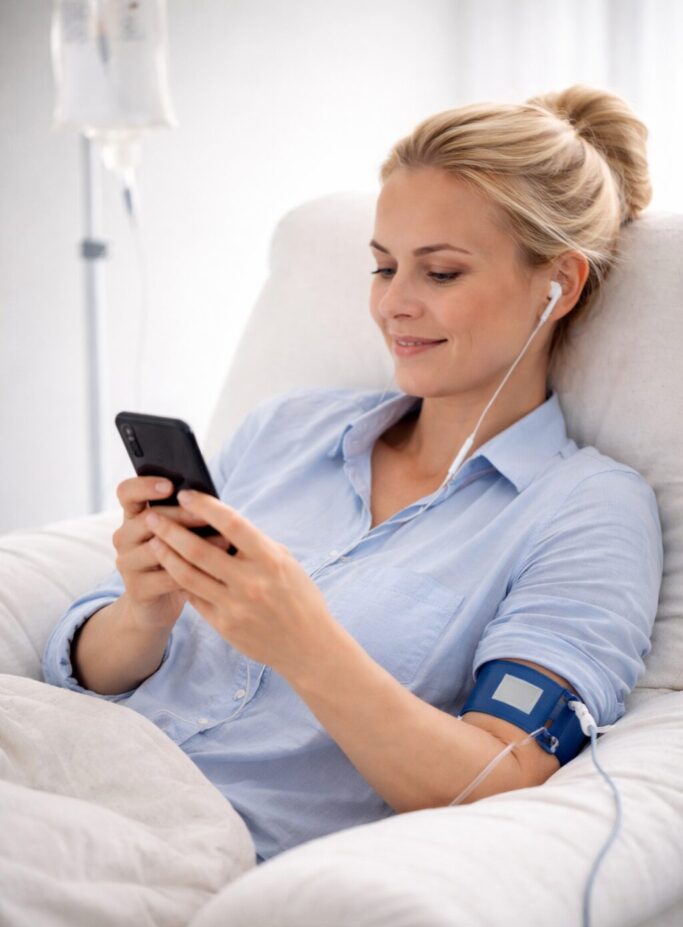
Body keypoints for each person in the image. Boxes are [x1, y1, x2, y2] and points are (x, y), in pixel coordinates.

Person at [42, 84, 663, 865]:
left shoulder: (586, 511)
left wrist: (304, 642)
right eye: (382, 267)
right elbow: (83, 668)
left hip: (178, 850)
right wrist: (143, 612)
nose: (393, 304)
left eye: (440, 273)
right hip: (58, 764)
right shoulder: (285, 430)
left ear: (559, 285)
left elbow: (498, 779)